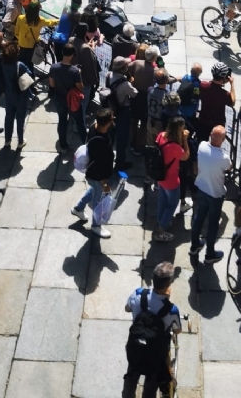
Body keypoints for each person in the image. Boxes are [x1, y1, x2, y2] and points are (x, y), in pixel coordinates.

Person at [122, 261, 182, 398]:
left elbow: (127, 308)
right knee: (151, 385)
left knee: (132, 372)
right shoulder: (171, 310)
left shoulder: (138, 294)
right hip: (156, 355)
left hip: (135, 348)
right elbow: (177, 330)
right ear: (168, 286)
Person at [72, 106, 115, 239]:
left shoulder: (93, 127)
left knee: (93, 190)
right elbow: (97, 164)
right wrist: (104, 183)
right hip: (97, 175)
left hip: (93, 174)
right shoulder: (99, 141)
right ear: (107, 123)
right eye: (111, 119)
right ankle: (96, 226)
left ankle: (78, 209)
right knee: (98, 200)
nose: (113, 121)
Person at [189, 125, 230, 264]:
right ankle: (210, 254)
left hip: (202, 188)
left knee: (199, 217)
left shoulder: (201, 146)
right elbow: (229, 166)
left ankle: (194, 246)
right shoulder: (223, 157)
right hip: (215, 193)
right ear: (223, 140)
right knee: (213, 224)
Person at [49, 41, 87, 152]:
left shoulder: (53, 67)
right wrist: (79, 72)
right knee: (79, 122)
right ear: (71, 55)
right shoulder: (75, 71)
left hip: (59, 98)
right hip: (72, 101)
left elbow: (52, 84)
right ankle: (85, 143)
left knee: (62, 121)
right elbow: (80, 88)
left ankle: (63, 145)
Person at [0, 40, 32, 151]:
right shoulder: (20, 65)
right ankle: (20, 141)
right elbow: (30, 73)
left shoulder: (3, 65)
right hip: (21, 95)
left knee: (9, 117)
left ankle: (7, 140)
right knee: (20, 118)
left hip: (9, 95)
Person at [196, 63, 235, 144]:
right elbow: (232, 102)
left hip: (203, 121)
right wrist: (232, 84)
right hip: (218, 125)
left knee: (200, 144)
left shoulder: (203, 85)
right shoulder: (224, 94)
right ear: (224, 77)